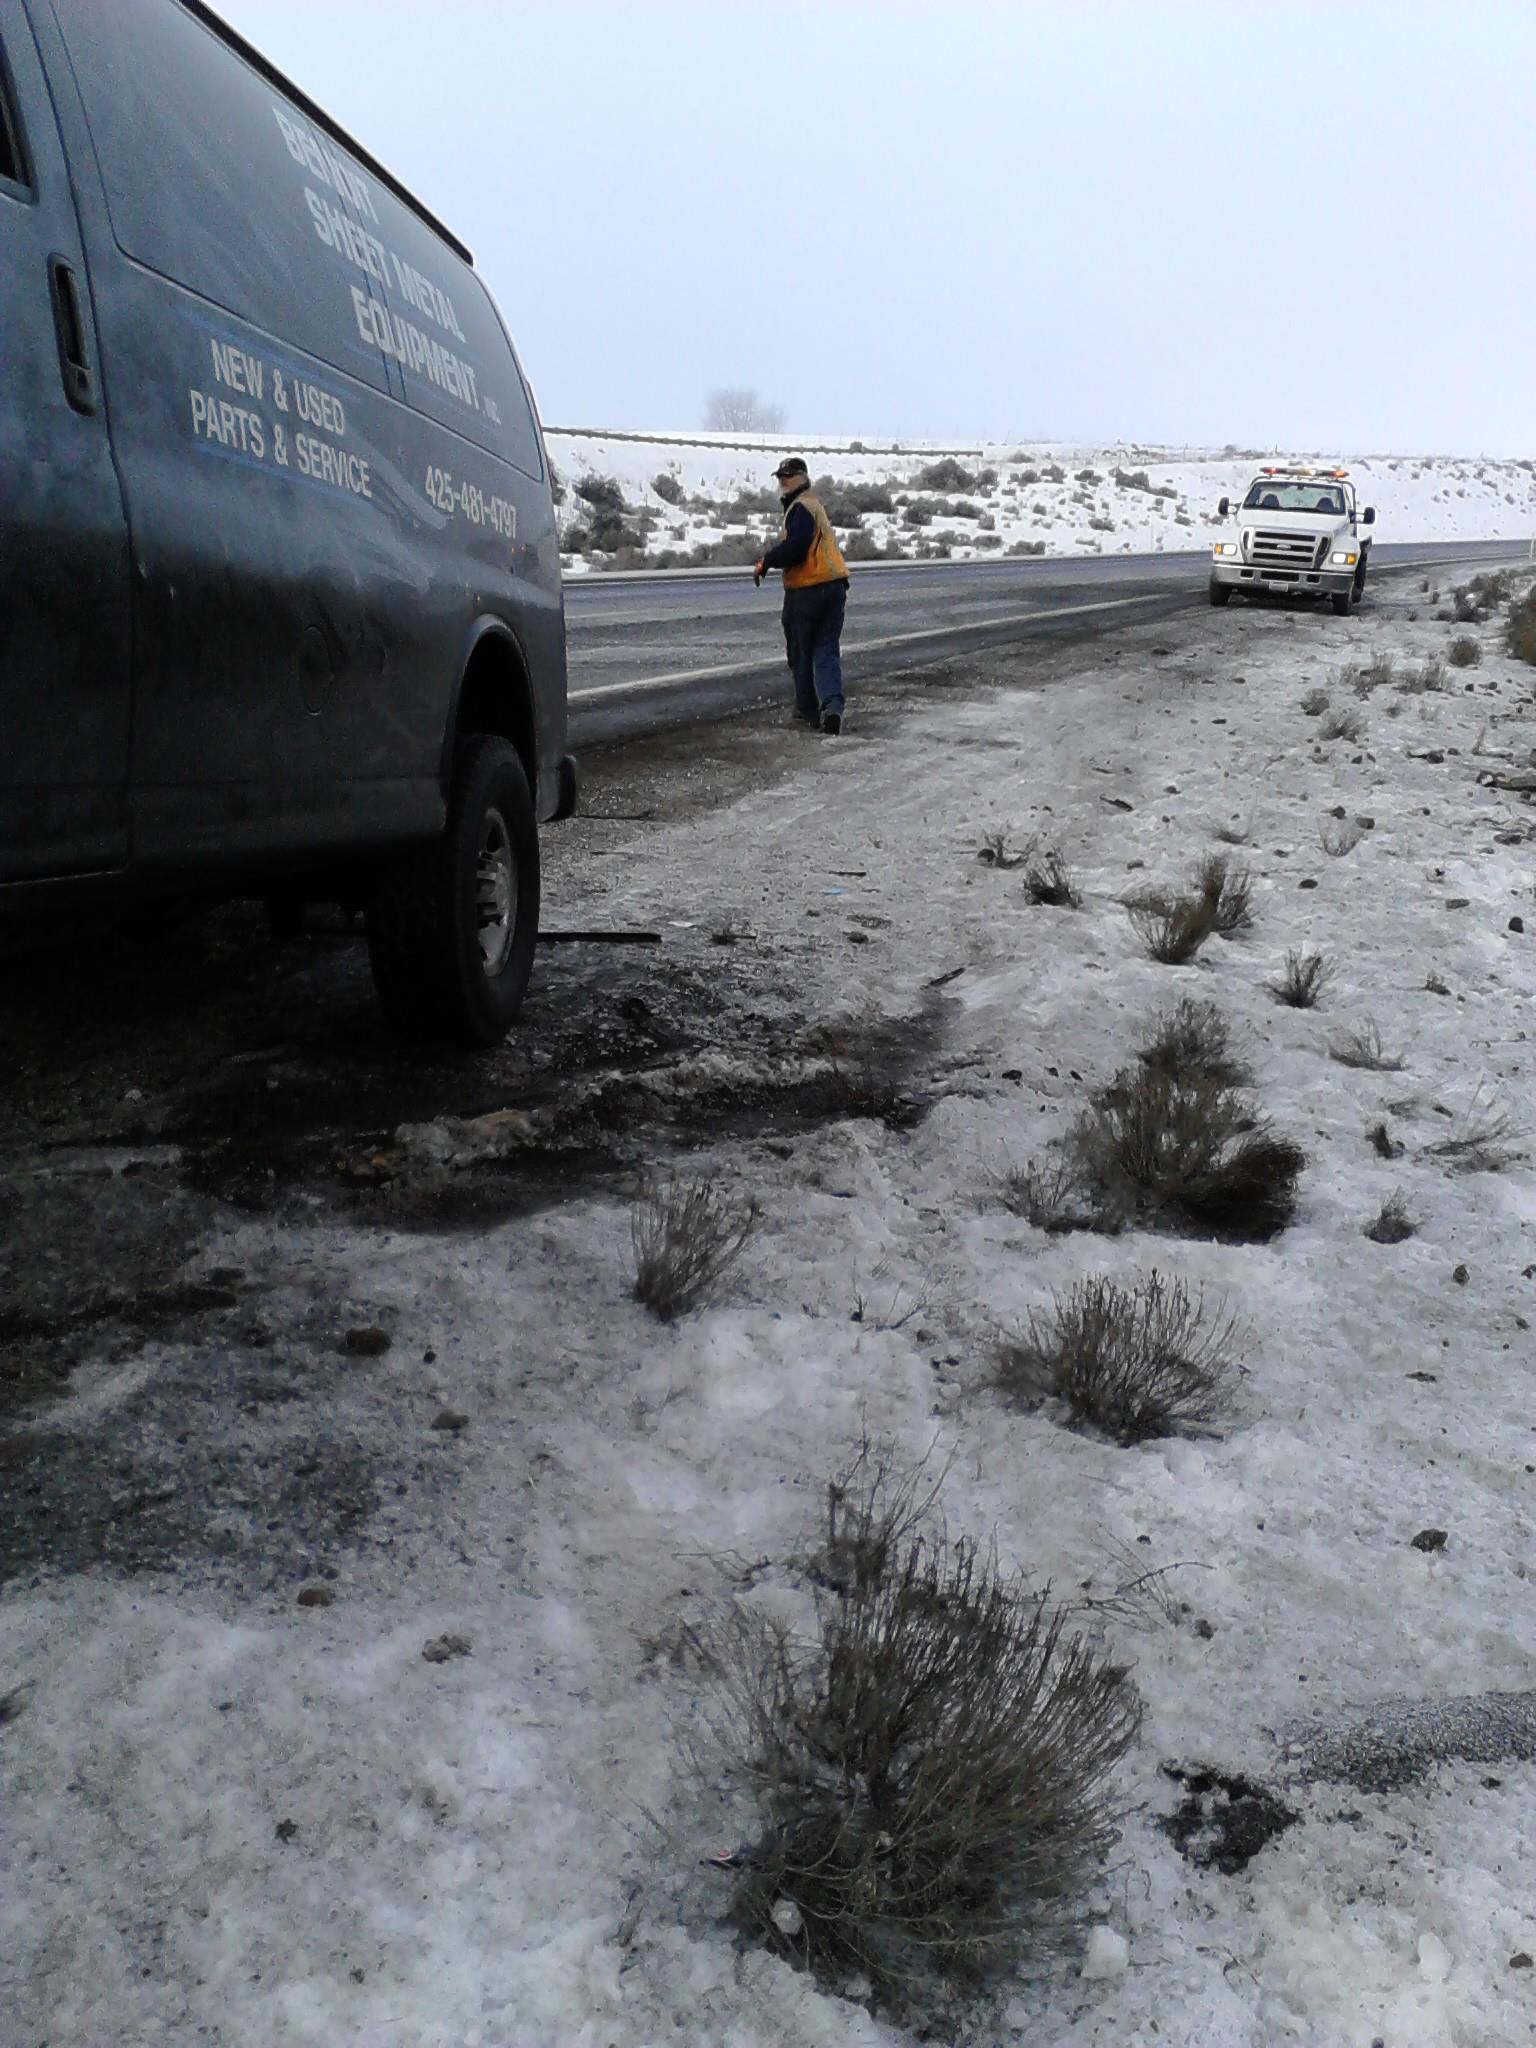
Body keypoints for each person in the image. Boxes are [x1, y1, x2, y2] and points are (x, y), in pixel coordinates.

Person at [753, 457, 850, 734]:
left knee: (801, 651)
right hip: (835, 586)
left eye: (788, 475)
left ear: (802, 477)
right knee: (827, 651)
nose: (783, 480)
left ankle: (807, 711)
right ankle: (832, 707)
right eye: (780, 476)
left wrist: (767, 561)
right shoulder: (814, 504)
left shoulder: (800, 508)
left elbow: (796, 547)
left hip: (808, 590)